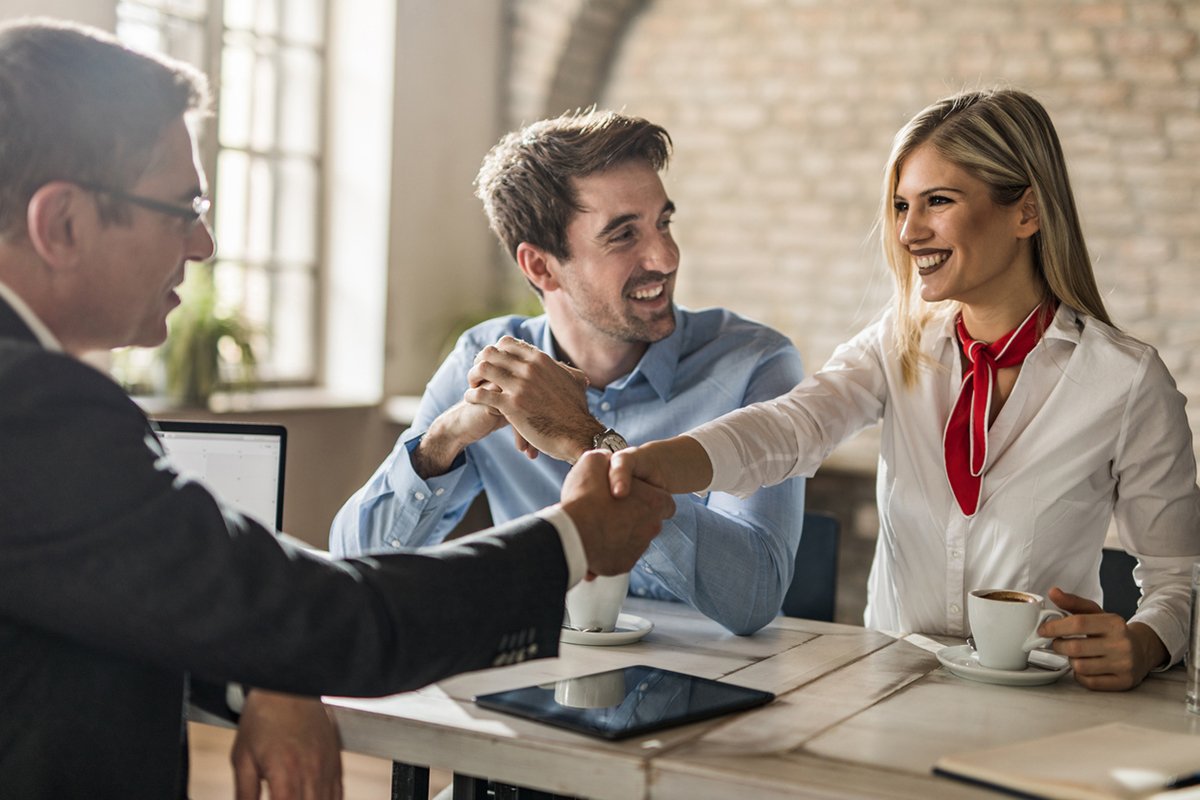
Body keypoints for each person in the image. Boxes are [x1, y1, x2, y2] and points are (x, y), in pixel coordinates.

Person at [0, 19, 674, 799]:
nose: (204, 243)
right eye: (182, 206)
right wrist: (574, 538)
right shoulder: (32, 409)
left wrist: (267, 668)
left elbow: (132, 600)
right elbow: (332, 611)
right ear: (63, 224)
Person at [608, 88, 1200, 691]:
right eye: (899, 206)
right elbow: (792, 426)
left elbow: (1180, 577)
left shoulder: (1125, 381)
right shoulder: (897, 344)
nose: (909, 232)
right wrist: (646, 466)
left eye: (937, 201)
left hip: (1043, 706)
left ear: (1027, 212)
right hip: (889, 693)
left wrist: (1144, 644)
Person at [330, 110, 805, 635]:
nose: (666, 257)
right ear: (540, 266)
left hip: (723, 686)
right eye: (624, 235)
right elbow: (356, 567)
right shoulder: (486, 359)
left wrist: (588, 442)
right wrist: (443, 440)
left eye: (663, 223)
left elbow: (755, 597)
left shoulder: (755, 366)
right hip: (534, 681)